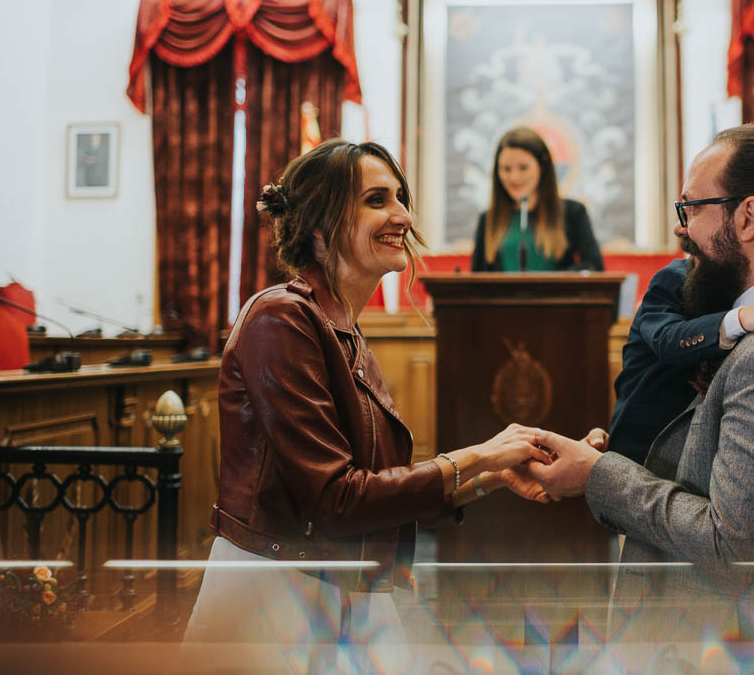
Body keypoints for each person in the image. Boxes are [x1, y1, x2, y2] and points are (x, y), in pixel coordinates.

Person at [183, 139, 553, 667]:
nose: (402, 214)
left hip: (339, 584)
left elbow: (379, 486)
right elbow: (337, 498)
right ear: (319, 225)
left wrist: (491, 476)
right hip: (274, 596)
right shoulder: (280, 319)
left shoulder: (346, 332)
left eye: (400, 198)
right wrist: (481, 455)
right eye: (377, 200)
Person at [521, 123, 754, 644]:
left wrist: (597, 474)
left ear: (748, 216)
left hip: (737, 643)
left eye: (693, 209)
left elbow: (731, 545)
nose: (683, 229)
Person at [608, 256, 754, 464]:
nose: (680, 229)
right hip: (647, 445)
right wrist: (738, 319)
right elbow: (666, 339)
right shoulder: (675, 277)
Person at [470, 127, 604, 272]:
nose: (514, 177)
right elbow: (478, 278)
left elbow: (594, 266)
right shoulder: (488, 219)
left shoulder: (573, 213)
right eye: (506, 169)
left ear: (542, 166)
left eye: (523, 168)